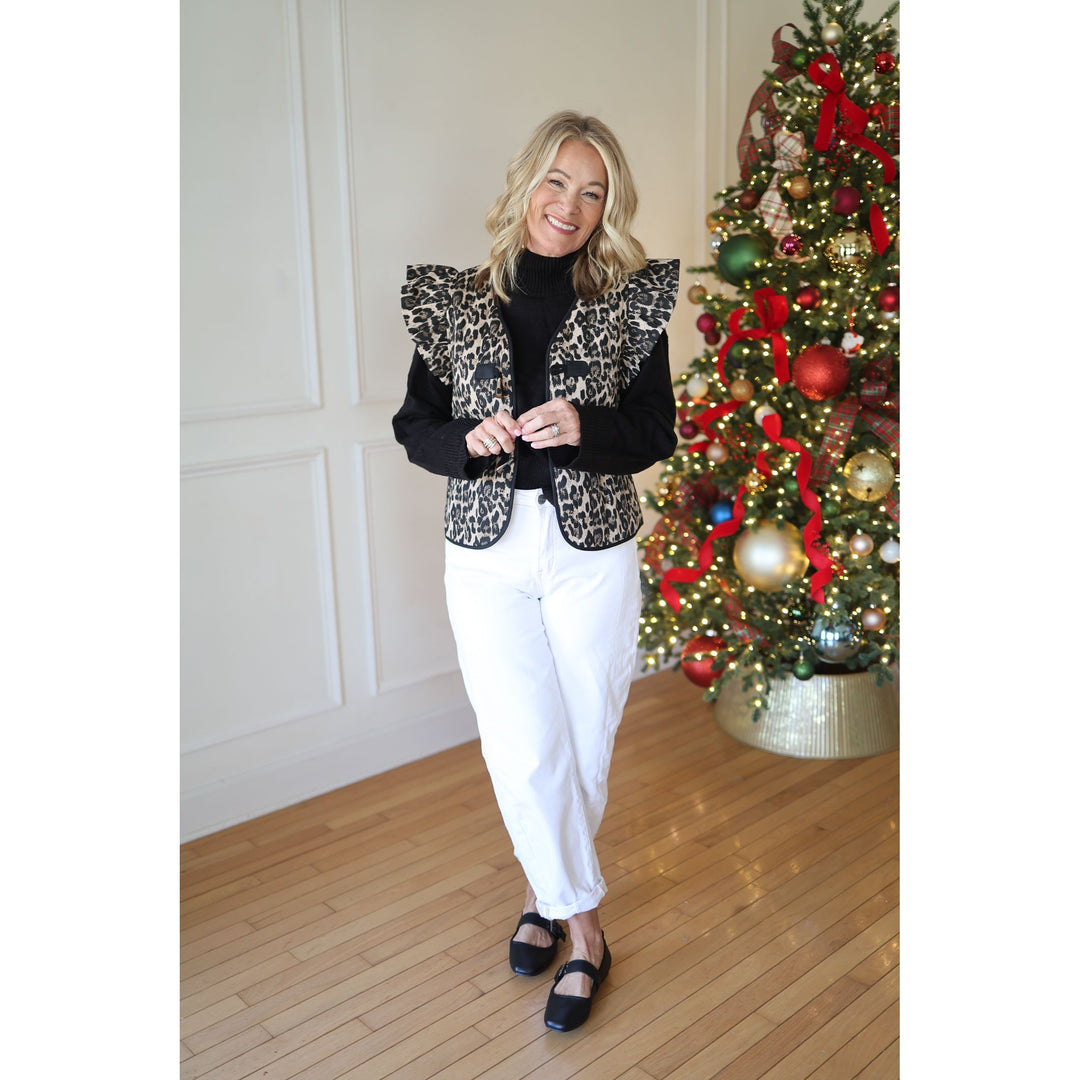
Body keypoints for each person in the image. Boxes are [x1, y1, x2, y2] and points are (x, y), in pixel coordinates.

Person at [392, 110, 678, 1032]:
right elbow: (415, 425)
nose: (572, 205)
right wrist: (467, 444)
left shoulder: (628, 301)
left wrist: (589, 428)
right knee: (521, 744)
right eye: (559, 181)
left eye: (594, 192)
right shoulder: (454, 298)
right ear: (526, 182)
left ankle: (543, 895)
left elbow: (655, 431)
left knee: (582, 737)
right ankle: (588, 933)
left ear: (609, 207)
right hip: (486, 547)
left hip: (594, 548)